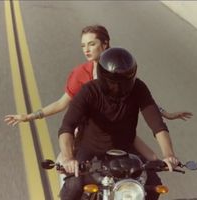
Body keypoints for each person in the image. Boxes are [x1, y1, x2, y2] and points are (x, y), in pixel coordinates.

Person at [4, 25, 192, 160]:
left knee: (154, 164)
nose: (86, 49)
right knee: (65, 170)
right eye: (83, 46)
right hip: (87, 131)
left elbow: (137, 97)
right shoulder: (81, 74)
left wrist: (165, 114)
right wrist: (28, 117)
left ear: (105, 44)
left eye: (91, 44)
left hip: (121, 129)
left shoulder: (121, 67)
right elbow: (62, 104)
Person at [59, 47, 180, 200]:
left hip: (126, 153)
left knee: (154, 188)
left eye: (123, 83)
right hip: (90, 152)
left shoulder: (139, 88)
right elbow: (67, 127)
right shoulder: (89, 91)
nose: (117, 87)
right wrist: (69, 159)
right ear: (103, 77)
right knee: (74, 187)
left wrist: (169, 155)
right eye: (112, 83)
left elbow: (157, 125)